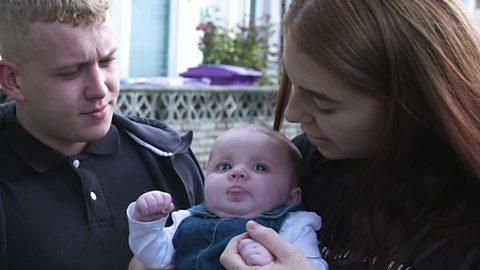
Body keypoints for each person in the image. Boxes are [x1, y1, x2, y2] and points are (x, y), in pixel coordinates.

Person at [219, 0, 480, 270]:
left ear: (414, 102)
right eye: (292, 83)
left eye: (325, 105)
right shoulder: (299, 166)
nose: (293, 114)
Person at [0, 1, 204, 269]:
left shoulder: (169, 157)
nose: (99, 89)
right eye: (71, 72)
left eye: (107, 61)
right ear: (13, 80)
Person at [127, 125, 327, 270]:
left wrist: (273, 262)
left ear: (293, 197)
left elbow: (315, 265)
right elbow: (154, 259)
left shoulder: (294, 226)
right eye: (224, 166)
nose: (237, 172)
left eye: (260, 167)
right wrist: (147, 224)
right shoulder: (185, 220)